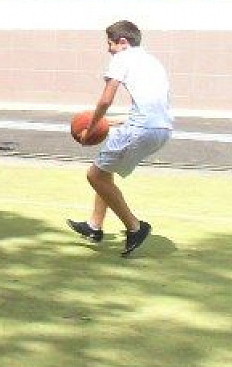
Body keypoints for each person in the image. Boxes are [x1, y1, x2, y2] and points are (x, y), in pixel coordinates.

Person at [66, 20, 172, 256]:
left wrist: (90, 128)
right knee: (105, 171)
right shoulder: (153, 62)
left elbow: (105, 100)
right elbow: (150, 110)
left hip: (142, 128)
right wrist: (108, 122)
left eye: (110, 44)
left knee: (94, 175)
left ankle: (135, 227)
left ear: (123, 42)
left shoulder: (122, 58)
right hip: (162, 130)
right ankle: (95, 225)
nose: (108, 49)